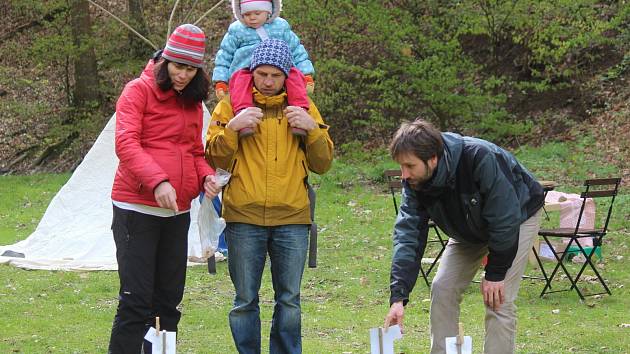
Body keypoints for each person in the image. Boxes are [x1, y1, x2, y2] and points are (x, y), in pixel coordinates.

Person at [206, 38, 333, 354]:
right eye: (261, 74)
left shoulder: (303, 107)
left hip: (292, 219)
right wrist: (233, 128)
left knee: (289, 300)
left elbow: (323, 163)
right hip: (242, 218)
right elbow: (212, 158)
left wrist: (313, 131)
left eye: (275, 75)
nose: (268, 81)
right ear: (251, 72)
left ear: (286, 75)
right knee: (244, 300)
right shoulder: (230, 106)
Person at [383, 119, 544, 354]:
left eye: (410, 166)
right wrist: (399, 297)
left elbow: (504, 218)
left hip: (517, 217)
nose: (404, 174)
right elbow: (408, 235)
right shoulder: (414, 182)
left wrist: (496, 273)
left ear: (433, 159)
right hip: (468, 226)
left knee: (498, 299)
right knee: (442, 288)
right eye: (401, 166)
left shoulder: (479, 157)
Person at [108, 24, 221, 353]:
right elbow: (126, 144)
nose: (183, 75)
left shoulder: (193, 103)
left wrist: (205, 178)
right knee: (136, 301)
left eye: (190, 69)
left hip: (177, 212)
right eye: (177, 66)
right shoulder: (137, 91)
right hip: (136, 209)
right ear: (164, 61)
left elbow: (194, 152)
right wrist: (157, 180)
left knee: (168, 303)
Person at [213, 0, 315, 137]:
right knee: (241, 84)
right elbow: (224, 55)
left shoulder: (280, 26)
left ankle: (299, 113)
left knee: (294, 77)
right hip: (245, 68)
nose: (252, 17)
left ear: (269, 11)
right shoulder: (237, 31)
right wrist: (221, 80)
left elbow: (296, 50)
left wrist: (306, 73)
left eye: (257, 13)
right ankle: (243, 115)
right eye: (247, 14)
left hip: (281, 66)